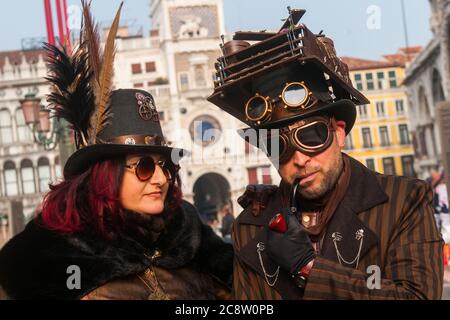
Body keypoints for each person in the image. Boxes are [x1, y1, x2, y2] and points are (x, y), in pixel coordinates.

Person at [0, 3, 232, 300]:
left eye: (167, 166)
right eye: (145, 166)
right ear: (103, 176)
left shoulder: (189, 236)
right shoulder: (48, 258)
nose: (161, 178)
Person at [208, 8, 444, 299]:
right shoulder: (251, 226)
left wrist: (308, 267)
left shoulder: (403, 203)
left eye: (311, 136)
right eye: (278, 147)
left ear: (339, 132)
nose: (299, 158)